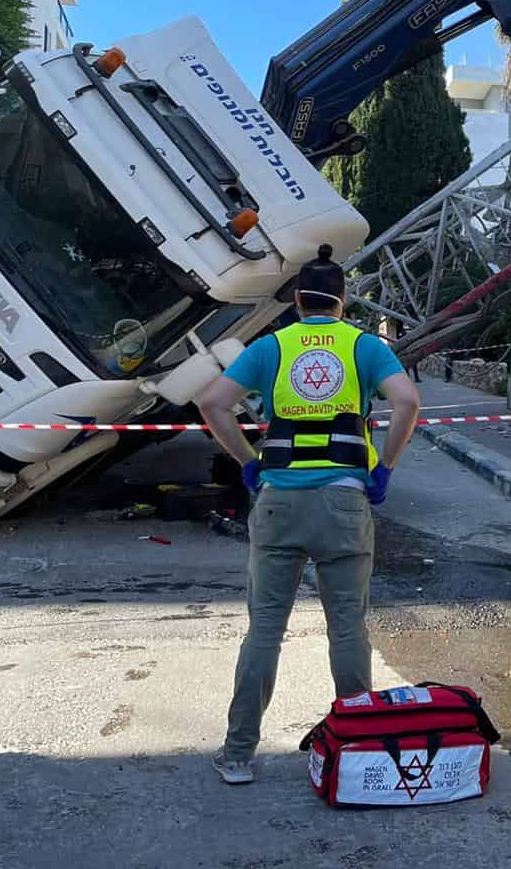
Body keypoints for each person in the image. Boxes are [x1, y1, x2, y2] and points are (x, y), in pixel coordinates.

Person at [196, 243, 421, 784]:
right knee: (348, 629)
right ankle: (360, 753)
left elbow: (212, 404)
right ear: (343, 300)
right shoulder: (363, 346)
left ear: (297, 300)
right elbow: (407, 402)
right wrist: (383, 467)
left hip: (279, 503)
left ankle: (237, 756)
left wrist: (249, 462)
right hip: (345, 503)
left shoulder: (272, 346)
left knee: (264, 631)